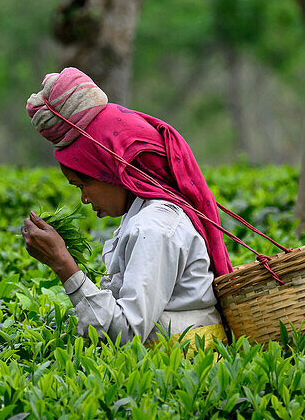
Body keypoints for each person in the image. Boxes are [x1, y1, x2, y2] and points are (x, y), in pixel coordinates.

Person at [20, 67, 233, 348]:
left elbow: (127, 335)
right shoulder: (143, 217)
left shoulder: (155, 227)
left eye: (82, 185)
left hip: (184, 367)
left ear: (110, 170)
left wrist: (64, 265)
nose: (84, 199)